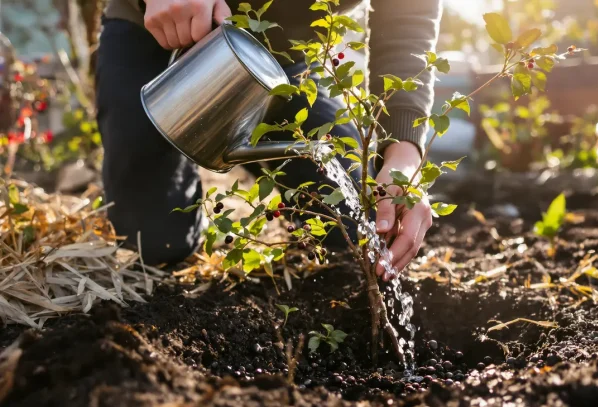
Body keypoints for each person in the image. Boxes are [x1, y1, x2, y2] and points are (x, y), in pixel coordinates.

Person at [96, 0, 442, 280]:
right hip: (156, 33)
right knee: (155, 244)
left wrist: (403, 154)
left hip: (280, 64)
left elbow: (407, 22)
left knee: (358, 231)